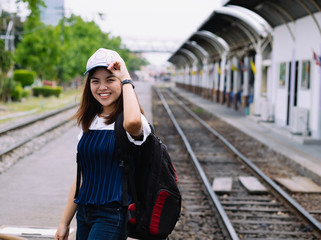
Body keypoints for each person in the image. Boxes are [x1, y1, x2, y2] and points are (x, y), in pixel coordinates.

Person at [54, 48, 151, 240]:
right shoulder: (89, 122)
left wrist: (126, 77)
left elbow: (132, 123)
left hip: (113, 215)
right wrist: (64, 222)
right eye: (95, 81)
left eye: (110, 79)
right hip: (84, 213)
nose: (102, 87)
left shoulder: (133, 120)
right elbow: (81, 177)